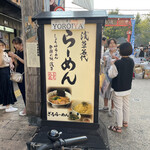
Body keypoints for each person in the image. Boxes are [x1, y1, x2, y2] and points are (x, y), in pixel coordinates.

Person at [108, 42, 134, 133]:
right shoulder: (131, 61)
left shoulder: (117, 63)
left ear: (121, 51)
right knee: (126, 106)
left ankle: (118, 127)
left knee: (118, 108)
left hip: (118, 89)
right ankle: (125, 122)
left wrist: (112, 64)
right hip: (128, 88)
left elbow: (111, 75)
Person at [100, 38, 120, 117]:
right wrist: (104, 61)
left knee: (112, 92)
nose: (112, 45)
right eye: (110, 43)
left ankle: (112, 109)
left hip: (115, 75)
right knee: (105, 90)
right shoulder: (106, 53)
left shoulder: (118, 54)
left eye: (113, 43)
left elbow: (119, 65)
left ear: (116, 44)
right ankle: (105, 107)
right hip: (106, 74)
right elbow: (103, 65)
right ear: (108, 45)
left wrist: (116, 60)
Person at [8, 37, 26, 116]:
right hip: (19, 73)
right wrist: (12, 60)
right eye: (14, 45)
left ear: (20, 43)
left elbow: (25, 62)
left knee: (25, 91)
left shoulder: (24, 51)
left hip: (24, 74)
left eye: (16, 44)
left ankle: (27, 109)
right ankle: (26, 107)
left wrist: (16, 56)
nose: (15, 46)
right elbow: (17, 63)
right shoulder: (18, 51)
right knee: (22, 91)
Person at [0, 40, 18, 112]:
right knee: (7, 88)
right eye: (1, 45)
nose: (3, 47)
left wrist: (11, 63)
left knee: (3, 88)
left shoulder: (3, 53)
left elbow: (8, 61)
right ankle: (8, 106)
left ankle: (2, 104)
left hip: (4, 72)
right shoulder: (2, 54)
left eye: (3, 45)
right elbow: (3, 63)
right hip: (4, 72)